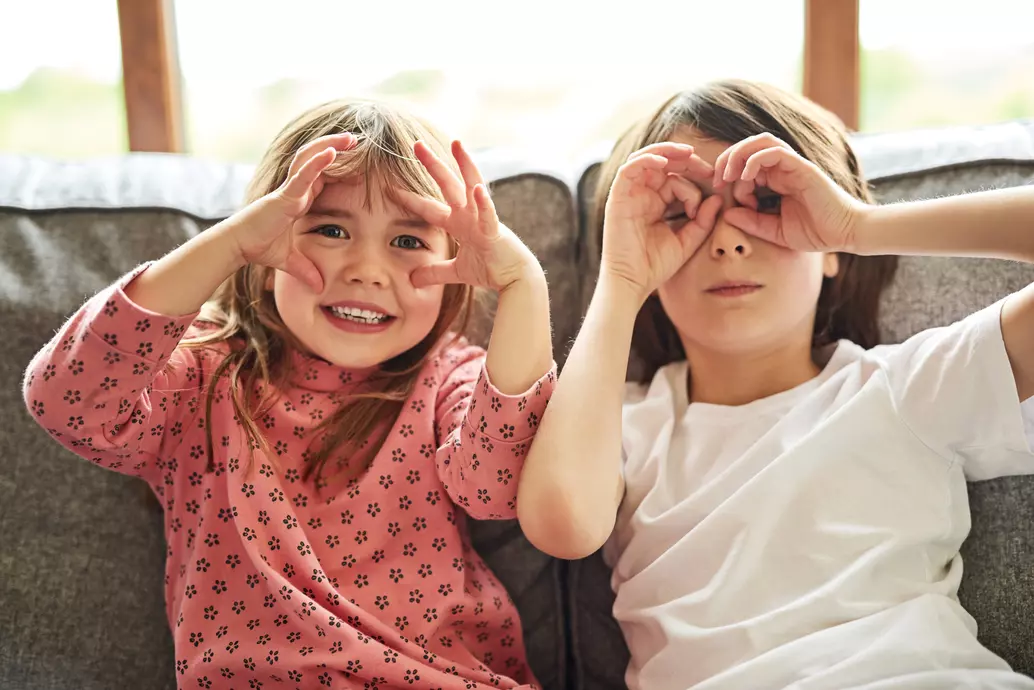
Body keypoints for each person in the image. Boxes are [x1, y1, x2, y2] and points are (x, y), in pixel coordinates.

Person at [517, 79, 1034, 689]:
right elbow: (561, 525)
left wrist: (855, 225)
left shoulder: (904, 387)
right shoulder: (626, 425)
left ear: (830, 252)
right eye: (682, 214)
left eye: (764, 204)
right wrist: (623, 277)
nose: (729, 241)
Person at [24, 99, 555, 689]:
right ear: (264, 239)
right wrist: (227, 247)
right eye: (330, 230)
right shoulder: (201, 373)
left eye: (407, 242)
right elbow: (66, 399)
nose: (367, 270)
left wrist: (523, 284)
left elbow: (493, 487)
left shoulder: (451, 377)